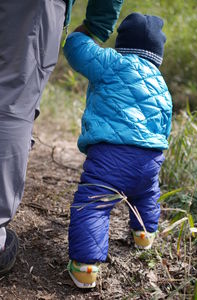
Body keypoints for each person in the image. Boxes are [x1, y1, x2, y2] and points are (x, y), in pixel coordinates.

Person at [0, 0, 124, 275]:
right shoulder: (157, 83)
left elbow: (81, 54)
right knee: (12, 100)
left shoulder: (110, 65)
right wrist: (96, 24)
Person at [63, 12, 172, 288]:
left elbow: (76, 49)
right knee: (146, 193)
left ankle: (86, 267)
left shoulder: (113, 62)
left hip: (111, 155)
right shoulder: (162, 85)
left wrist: (83, 30)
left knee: (94, 203)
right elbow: (165, 127)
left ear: (122, 44)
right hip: (150, 157)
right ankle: (144, 235)